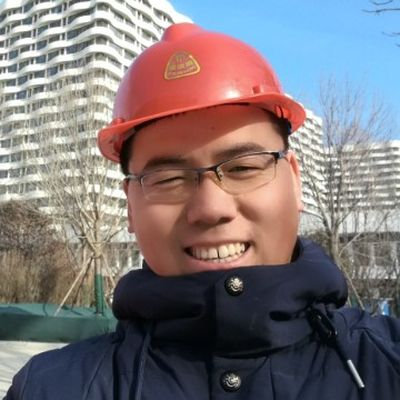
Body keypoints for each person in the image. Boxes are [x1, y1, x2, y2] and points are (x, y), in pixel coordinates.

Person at [5, 22, 400, 400]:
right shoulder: (52, 388)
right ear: (130, 206)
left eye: (243, 168)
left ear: (294, 181)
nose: (211, 208)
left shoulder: (388, 364)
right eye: (168, 179)